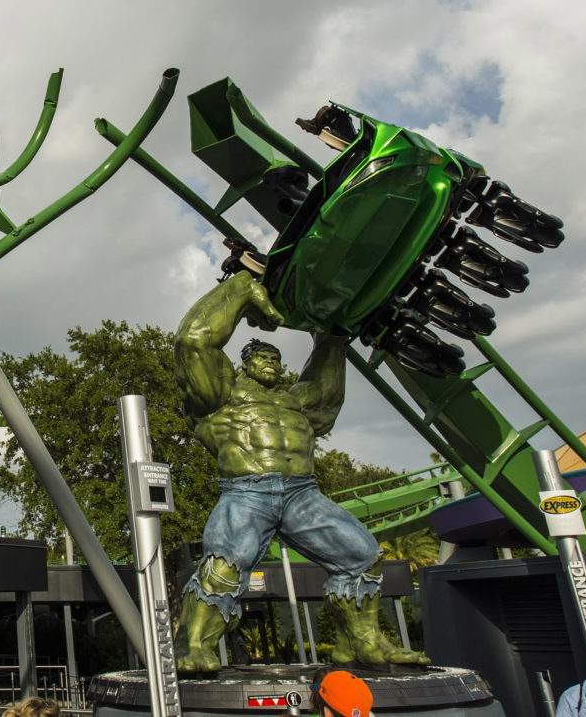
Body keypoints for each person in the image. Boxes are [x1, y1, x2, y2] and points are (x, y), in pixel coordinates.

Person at [172, 272, 428, 671]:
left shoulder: (294, 402)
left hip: (302, 494)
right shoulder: (222, 395)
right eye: (263, 358)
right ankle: (193, 647)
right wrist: (239, 290)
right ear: (245, 362)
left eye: (276, 359)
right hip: (246, 492)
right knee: (223, 568)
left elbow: (327, 390)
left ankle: (361, 643)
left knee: (362, 556)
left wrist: (333, 332)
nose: (272, 364)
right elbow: (193, 342)